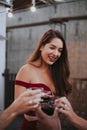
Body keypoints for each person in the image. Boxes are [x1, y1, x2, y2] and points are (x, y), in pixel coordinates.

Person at [14, 29, 72, 130]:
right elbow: (17, 107)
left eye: (60, 50)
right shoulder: (26, 70)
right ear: (41, 46)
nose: (56, 53)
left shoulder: (57, 74)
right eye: (52, 47)